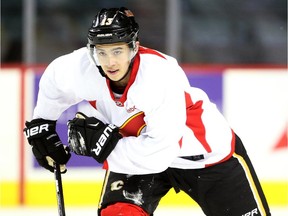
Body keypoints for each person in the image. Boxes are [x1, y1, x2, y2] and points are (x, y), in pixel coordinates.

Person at [23, 7, 271, 216]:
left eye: (117, 51)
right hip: (137, 156)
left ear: (134, 47)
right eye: (101, 52)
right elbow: (53, 81)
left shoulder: (158, 77)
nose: (109, 62)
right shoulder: (82, 67)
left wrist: (104, 149)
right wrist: (43, 122)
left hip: (206, 156)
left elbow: (160, 153)